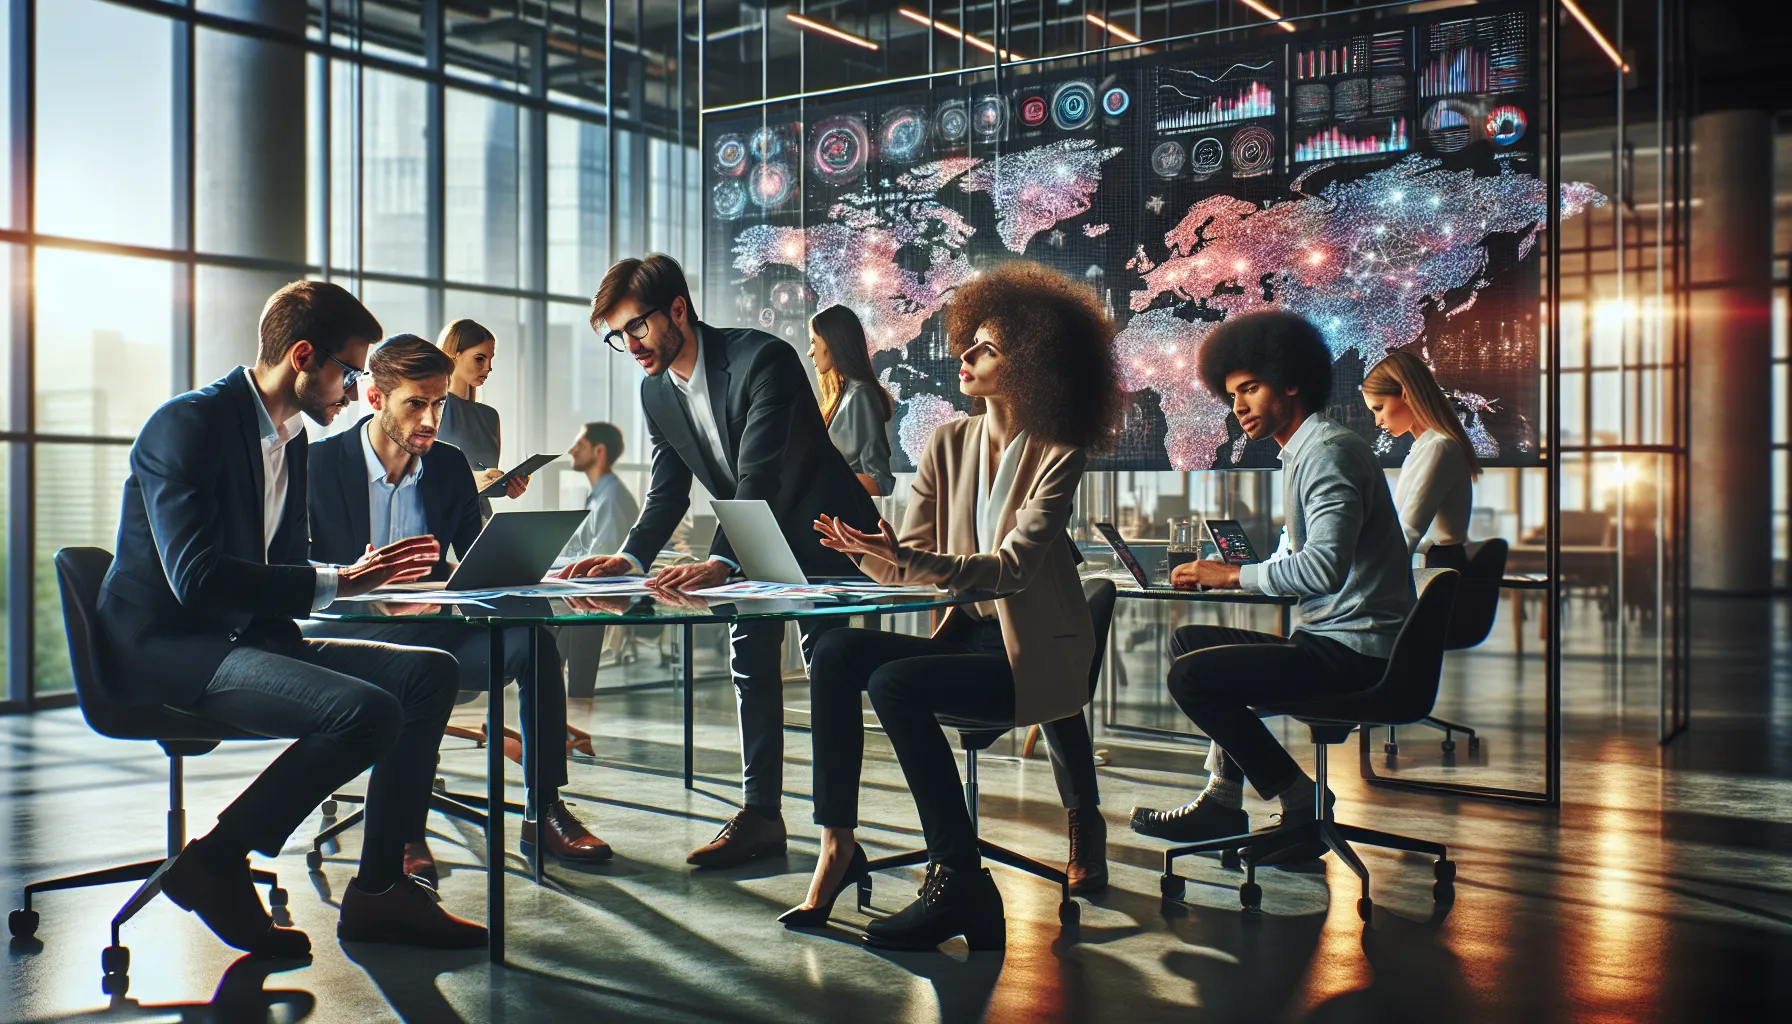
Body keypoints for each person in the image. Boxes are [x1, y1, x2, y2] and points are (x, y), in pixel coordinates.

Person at [98, 281, 485, 954]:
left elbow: (280, 570)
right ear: (304, 357)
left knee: (428, 676)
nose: (353, 388)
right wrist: (341, 579)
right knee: (366, 713)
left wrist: (337, 600)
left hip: (245, 640)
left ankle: (379, 892)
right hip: (167, 650)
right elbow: (196, 579)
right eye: (350, 371)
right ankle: (216, 862)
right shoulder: (187, 425)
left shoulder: (293, 438)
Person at [793, 262, 1121, 950]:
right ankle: (836, 844)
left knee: (892, 680)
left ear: (1030, 365)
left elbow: (1012, 568)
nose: (964, 357)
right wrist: (866, 552)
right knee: (836, 649)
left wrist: (905, 559)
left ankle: (958, 877)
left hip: (1030, 656)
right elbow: (909, 562)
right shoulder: (946, 441)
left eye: (986, 349)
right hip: (963, 642)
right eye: (967, 343)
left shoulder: (1058, 452)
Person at [560, 254, 882, 868]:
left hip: (824, 532)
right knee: (750, 658)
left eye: (637, 327)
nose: (630, 345)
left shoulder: (764, 359)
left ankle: (836, 837)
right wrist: (629, 559)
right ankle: (762, 815)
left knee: (827, 671)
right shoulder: (655, 390)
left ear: (677, 309)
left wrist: (720, 562)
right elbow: (668, 491)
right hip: (754, 536)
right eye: (616, 335)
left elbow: (759, 473)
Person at [304, 335, 612, 876]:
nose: (431, 418)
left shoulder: (447, 465)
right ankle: (404, 827)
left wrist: (526, 569)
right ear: (375, 398)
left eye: (440, 402)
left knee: (534, 644)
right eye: (416, 404)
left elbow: (470, 559)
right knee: (422, 670)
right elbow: (290, 568)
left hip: (433, 628)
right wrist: (357, 580)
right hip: (352, 633)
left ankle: (543, 810)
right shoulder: (318, 464)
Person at [1130, 311, 1414, 863]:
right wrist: (1235, 569)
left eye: (1251, 389)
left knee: (1192, 677)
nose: (1238, 407)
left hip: (1356, 652)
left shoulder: (1327, 453)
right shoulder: (1307, 451)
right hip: (1335, 640)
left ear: (1291, 381)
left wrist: (1232, 574)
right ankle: (1222, 798)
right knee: (1192, 643)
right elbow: (1311, 561)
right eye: (1232, 393)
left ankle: (1300, 798)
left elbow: (1323, 570)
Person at [1361, 350, 1481, 570]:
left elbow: (1408, 531)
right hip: (1432, 566)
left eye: (1379, 408)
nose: (1377, 422)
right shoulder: (1425, 447)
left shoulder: (1439, 447)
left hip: (1437, 574)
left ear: (1406, 394)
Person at [436, 318, 528, 518]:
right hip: (443, 521)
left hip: (480, 520)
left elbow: (485, 482)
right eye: (480, 358)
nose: (489, 367)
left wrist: (508, 487)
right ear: (454, 356)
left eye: (490, 359)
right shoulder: (432, 408)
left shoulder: (489, 416)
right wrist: (468, 481)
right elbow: (415, 475)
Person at [807, 305, 895, 497]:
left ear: (832, 342)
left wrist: (817, 481)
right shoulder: (845, 395)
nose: (810, 352)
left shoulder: (861, 395)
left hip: (848, 521)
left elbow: (880, 481)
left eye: (814, 342)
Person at [561, 422, 641, 561]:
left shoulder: (610, 499)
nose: (572, 451)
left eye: (580, 445)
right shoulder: (598, 496)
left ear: (599, 451)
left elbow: (600, 560)